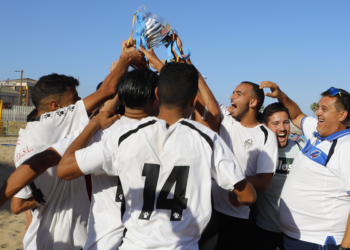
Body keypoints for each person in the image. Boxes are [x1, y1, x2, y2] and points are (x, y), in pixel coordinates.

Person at [56, 62, 257, 249]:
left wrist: (93, 124)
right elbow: (248, 196)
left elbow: (64, 169)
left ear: (157, 93)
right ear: (194, 100)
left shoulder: (124, 136)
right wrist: (235, 196)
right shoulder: (207, 139)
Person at [1, 48, 144, 249]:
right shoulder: (49, 126)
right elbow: (107, 93)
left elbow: (19, 204)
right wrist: (126, 59)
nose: (80, 104)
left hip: (42, 236)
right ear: (55, 107)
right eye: (75, 99)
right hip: (68, 236)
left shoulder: (29, 136)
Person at [51, 68, 159, 249]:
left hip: (106, 239)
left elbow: (64, 168)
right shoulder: (171, 134)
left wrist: (94, 123)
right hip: (151, 239)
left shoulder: (102, 131)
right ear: (157, 96)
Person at [260, 81, 350, 250]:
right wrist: (280, 95)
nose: (317, 113)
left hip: (319, 241)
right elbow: (296, 115)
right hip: (295, 238)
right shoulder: (317, 133)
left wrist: (345, 246)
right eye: (318, 108)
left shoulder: (346, 146)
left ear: (342, 115)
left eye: (324, 109)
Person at [200, 81, 278, 250]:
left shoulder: (266, 136)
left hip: (240, 217)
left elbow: (263, 182)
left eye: (238, 93)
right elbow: (202, 95)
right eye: (233, 92)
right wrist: (191, 70)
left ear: (253, 102)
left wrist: (231, 180)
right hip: (210, 211)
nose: (231, 97)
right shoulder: (226, 120)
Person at [254, 102, 304, 250]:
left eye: (285, 122)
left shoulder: (301, 151)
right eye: (275, 123)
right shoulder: (258, 153)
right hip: (263, 229)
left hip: (293, 231)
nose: (282, 128)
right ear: (265, 126)